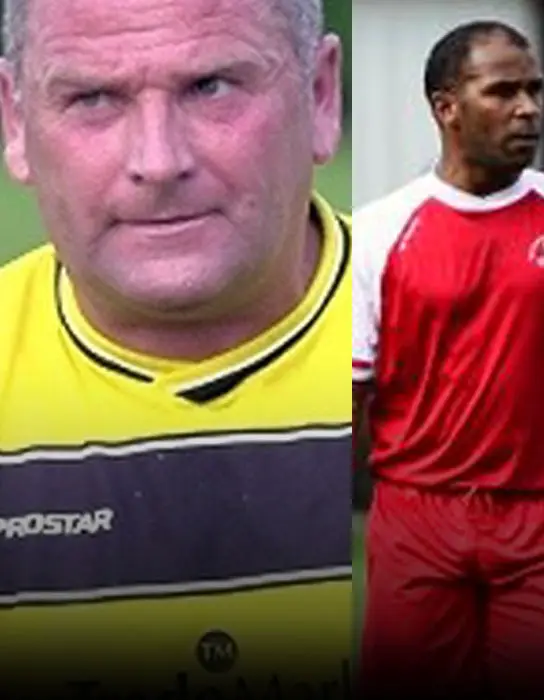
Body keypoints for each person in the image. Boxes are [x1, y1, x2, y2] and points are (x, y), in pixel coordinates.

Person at [0, 0, 352, 697]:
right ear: (14, 120)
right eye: (93, 98)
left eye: (210, 86)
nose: (158, 162)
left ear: (320, 95)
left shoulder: (456, 353)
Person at [352, 20, 544, 700]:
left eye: (535, 90)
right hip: (417, 516)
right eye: (502, 92)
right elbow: (351, 393)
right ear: (446, 107)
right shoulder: (377, 231)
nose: (527, 109)